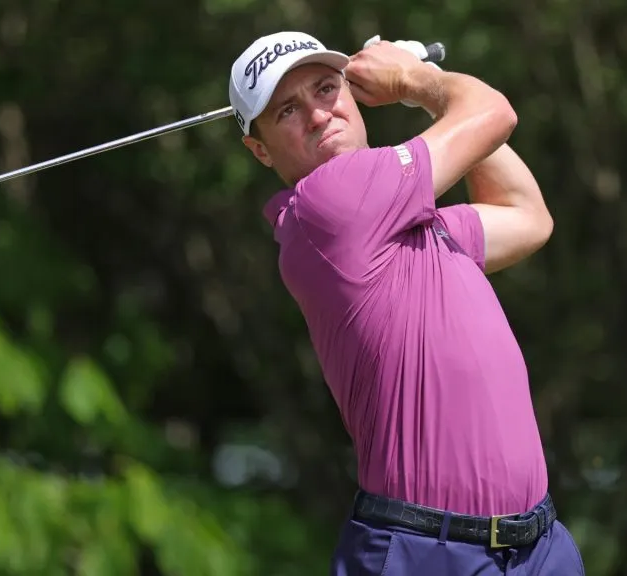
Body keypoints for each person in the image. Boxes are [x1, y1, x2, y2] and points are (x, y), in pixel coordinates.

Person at [228, 30, 585, 575]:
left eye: (327, 88)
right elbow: (493, 114)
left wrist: (427, 94)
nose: (319, 115)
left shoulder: (409, 227)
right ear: (259, 150)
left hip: (537, 546)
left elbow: (527, 215)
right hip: (425, 553)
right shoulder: (330, 204)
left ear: (351, 90)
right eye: (287, 112)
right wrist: (415, 82)